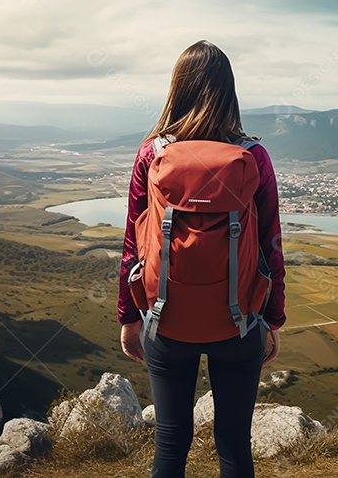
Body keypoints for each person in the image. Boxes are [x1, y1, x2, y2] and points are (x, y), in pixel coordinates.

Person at [117, 40, 286, 478]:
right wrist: (273, 319)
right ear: (229, 92)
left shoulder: (151, 154)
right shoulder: (253, 157)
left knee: (170, 444)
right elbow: (272, 245)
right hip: (240, 322)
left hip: (165, 318)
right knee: (233, 443)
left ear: (178, 88)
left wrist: (129, 316)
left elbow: (132, 243)